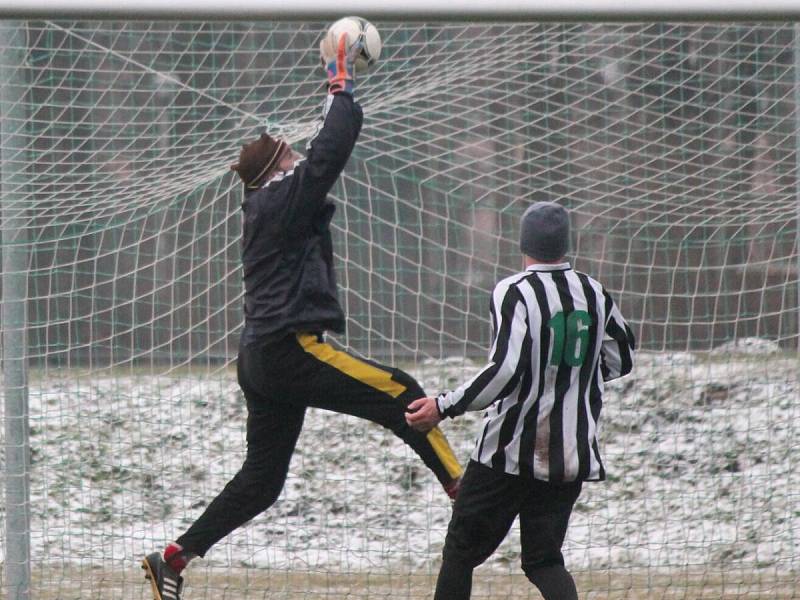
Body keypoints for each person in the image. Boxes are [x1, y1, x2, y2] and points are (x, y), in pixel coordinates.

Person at [142, 34, 462, 600]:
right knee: (403, 392)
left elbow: (318, 155)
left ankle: (173, 557)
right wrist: (340, 79)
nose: (298, 158)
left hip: (260, 356)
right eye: (290, 155)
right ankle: (463, 487)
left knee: (262, 481)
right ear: (275, 170)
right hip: (290, 348)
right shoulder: (279, 198)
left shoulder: (268, 203)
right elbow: (334, 146)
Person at [406, 201, 635, 600]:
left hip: (508, 451)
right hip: (568, 453)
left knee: (460, 552)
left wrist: (443, 406)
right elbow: (621, 358)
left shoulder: (513, 291)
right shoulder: (593, 291)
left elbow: (504, 371)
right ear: (566, 244)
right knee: (544, 560)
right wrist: (571, 378)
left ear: (523, 242)